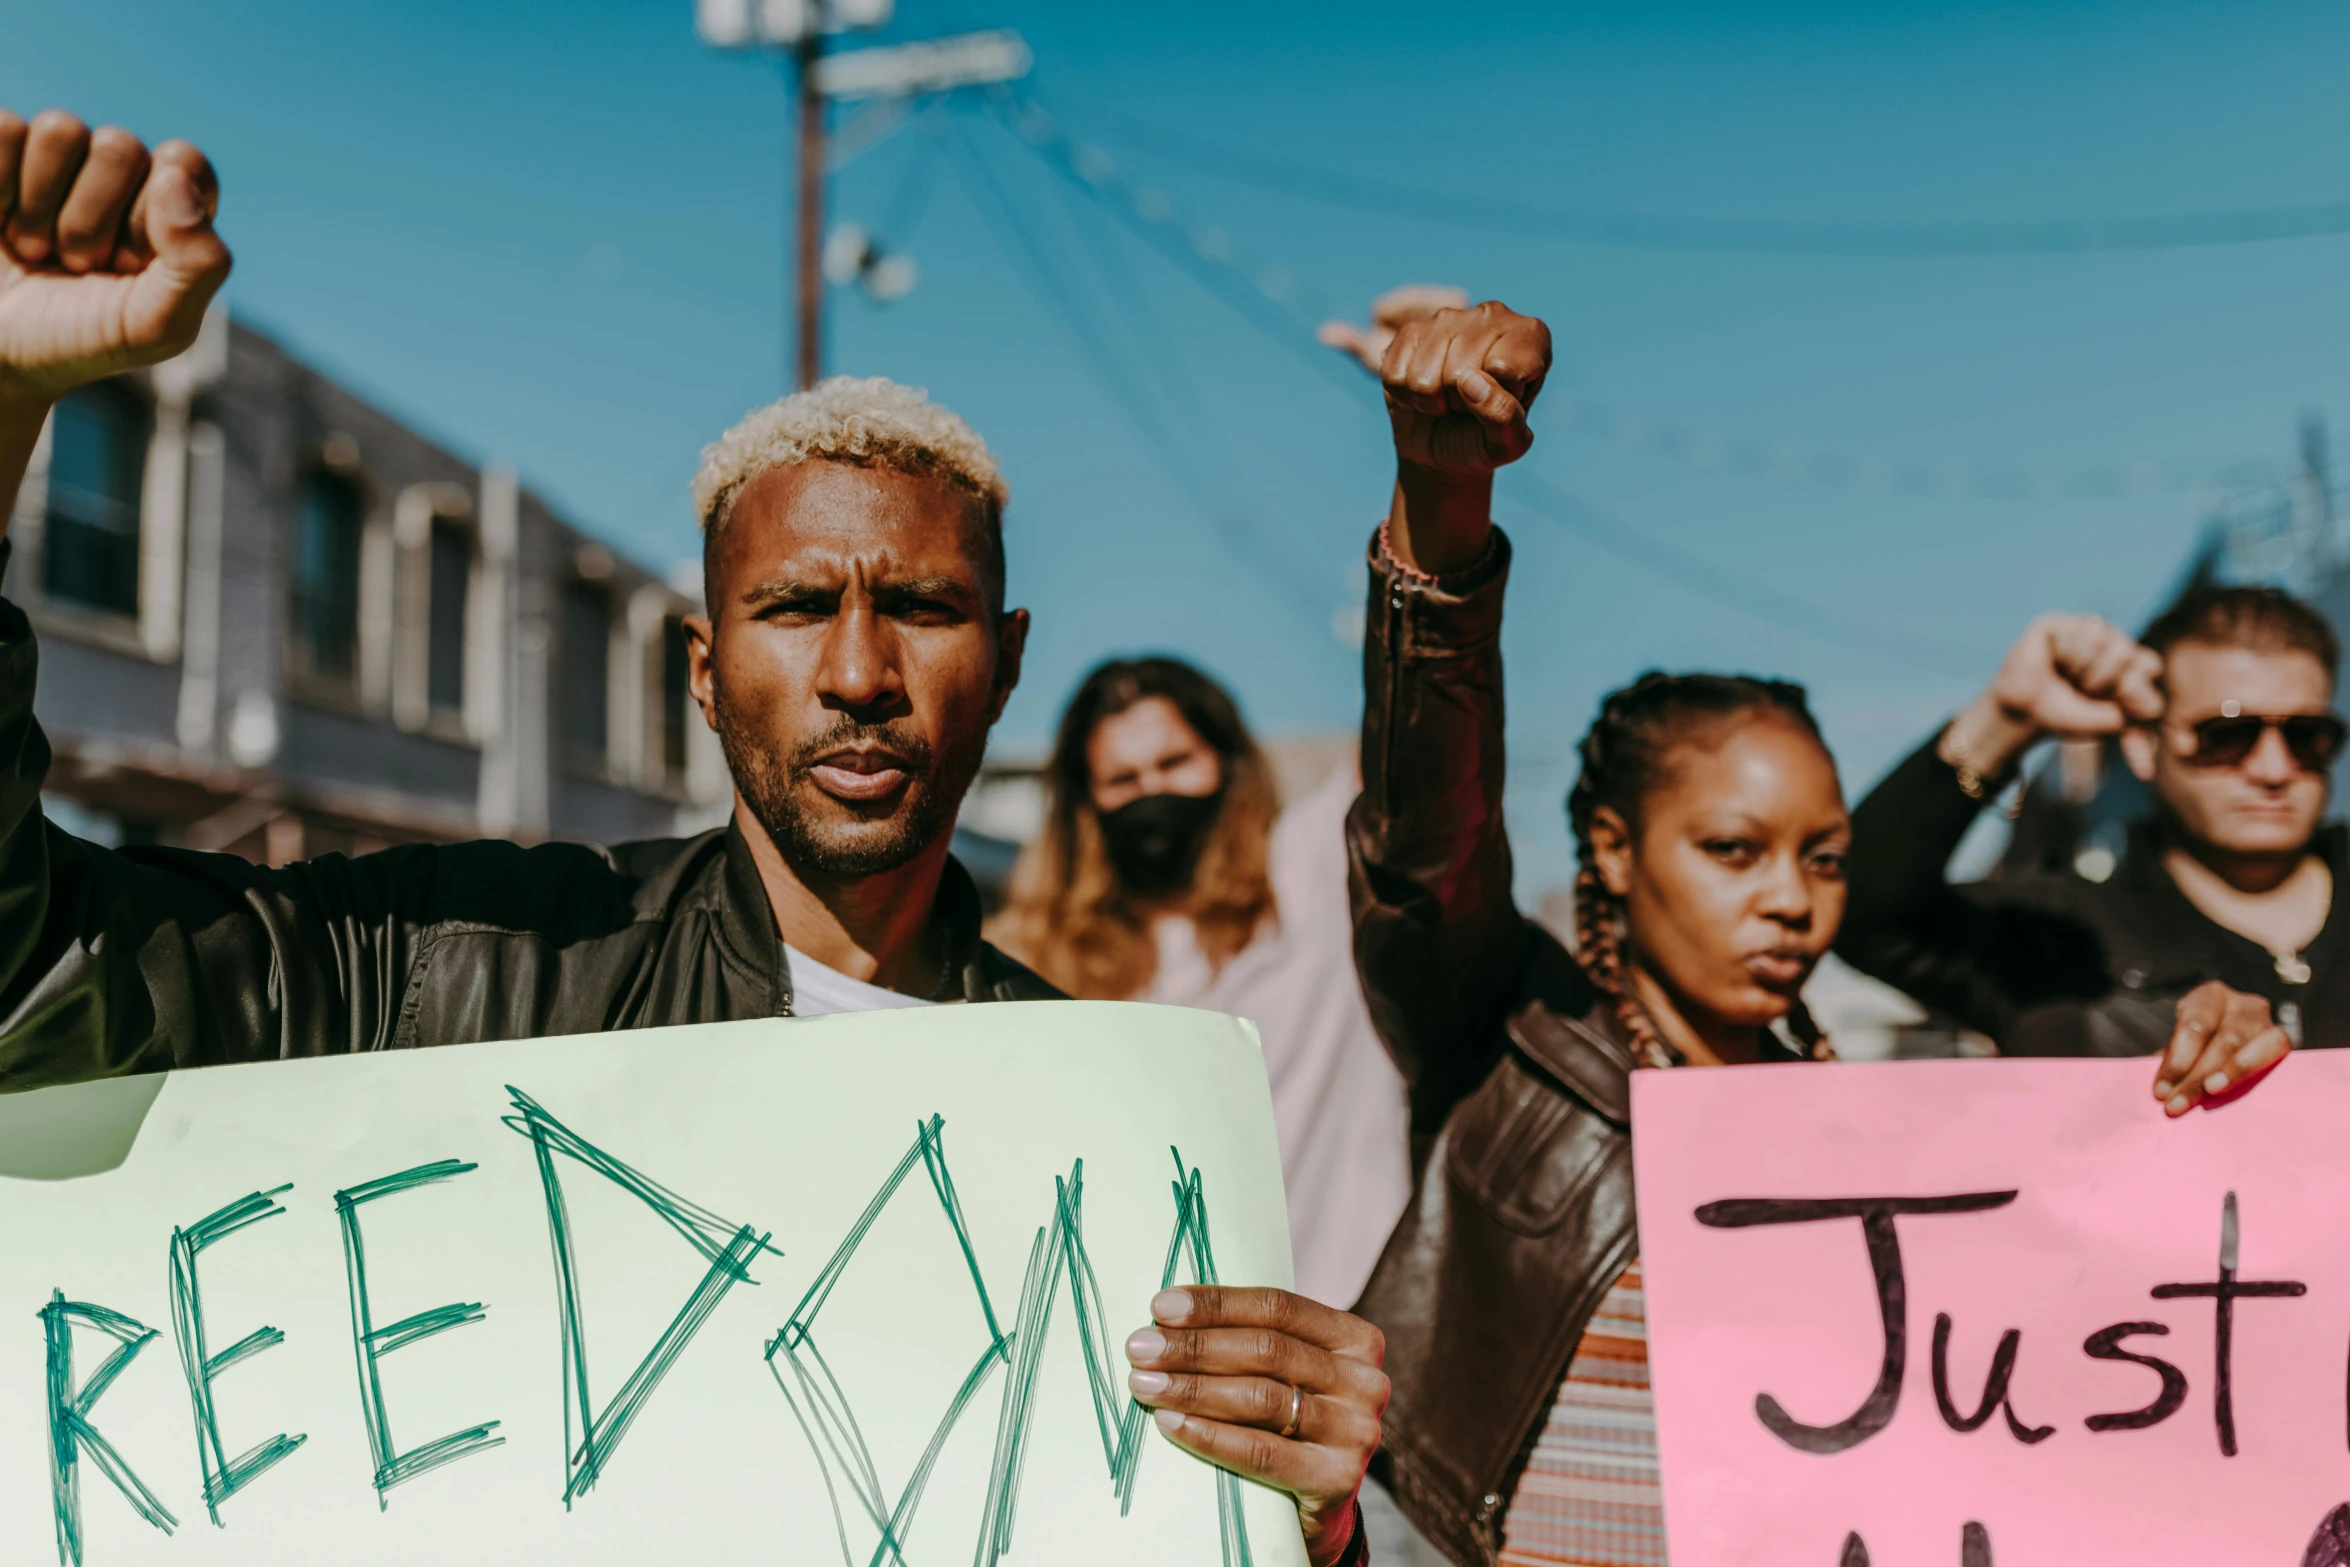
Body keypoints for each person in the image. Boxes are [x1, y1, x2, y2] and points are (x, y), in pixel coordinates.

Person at [0, 107, 1383, 1566]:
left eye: (919, 606)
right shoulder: (447, 962)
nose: (859, 672)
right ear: (706, 670)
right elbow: (35, 979)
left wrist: (1308, 1513)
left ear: (1009, 656)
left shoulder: (1096, 1121)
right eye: (794, 608)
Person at [1324, 291, 2295, 1567]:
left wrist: (2223, 1100)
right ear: (1612, 853)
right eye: (1733, 850)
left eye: (1824, 858)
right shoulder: (1506, 1040)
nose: (1792, 897)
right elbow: (1421, 842)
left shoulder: (1886, 1146)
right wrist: (1439, 511)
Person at [990, 657, 1412, 1310]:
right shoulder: (1045, 966)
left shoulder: (1312, 878)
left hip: (1349, 1330)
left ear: (1228, 765)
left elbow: (1413, 711)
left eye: (1175, 763)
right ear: (1085, 804)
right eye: (1122, 779)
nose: (1151, 790)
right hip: (1157, 1359)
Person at [1838, 588, 2350, 1067]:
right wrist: (2006, 720)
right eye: (2228, 734)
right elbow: (1857, 906)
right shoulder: (2060, 942)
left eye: (2307, 736)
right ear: (2143, 743)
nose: (2273, 769)